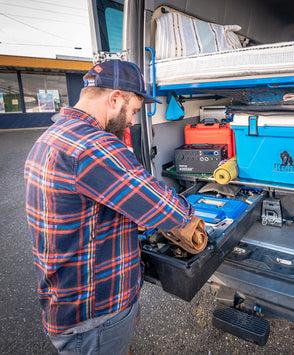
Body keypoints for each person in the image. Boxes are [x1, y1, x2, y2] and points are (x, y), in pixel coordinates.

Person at [24, 60, 194, 354]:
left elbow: (87, 206)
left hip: (66, 301)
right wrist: (189, 209)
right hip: (96, 315)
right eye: (134, 111)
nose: (131, 121)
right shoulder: (93, 145)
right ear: (115, 99)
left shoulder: (50, 137)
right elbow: (171, 211)